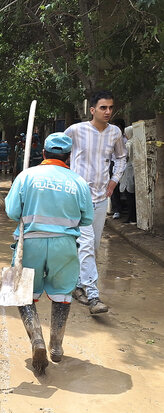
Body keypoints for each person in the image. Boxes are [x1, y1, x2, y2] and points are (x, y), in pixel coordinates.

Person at [6, 132, 93, 375]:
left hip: (31, 242)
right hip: (64, 245)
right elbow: (86, 219)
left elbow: (13, 212)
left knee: (23, 293)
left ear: (43, 153)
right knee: (63, 294)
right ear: (69, 157)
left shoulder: (27, 176)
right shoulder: (78, 181)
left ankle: (37, 339)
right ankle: (56, 345)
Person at [64, 91, 127, 314]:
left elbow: (121, 157)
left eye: (110, 107)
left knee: (93, 245)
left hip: (101, 198)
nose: (108, 111)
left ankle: (77, 285)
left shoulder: (115, 133)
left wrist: (114, 180)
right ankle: (93, 297)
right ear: (92, 110)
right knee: (87, 244)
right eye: (103, 108)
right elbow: (58, 151)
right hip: (77, 198)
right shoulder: (76, 130)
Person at [109, 119, 127, 219]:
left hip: (126, 164)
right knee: (113, 187)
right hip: (113, 163)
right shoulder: (111, 138)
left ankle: (125, 208)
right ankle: (117, 210)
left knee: (126, 188)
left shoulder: (126, 138)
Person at [119, 125, 136, 224]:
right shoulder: (135, 142)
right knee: (131, 195)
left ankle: (131, 218)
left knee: (129, 195)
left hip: (128, 170)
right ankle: (132, 217)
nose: (125, 134)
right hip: (133, 169)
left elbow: (125, 157)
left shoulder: (129, 144)